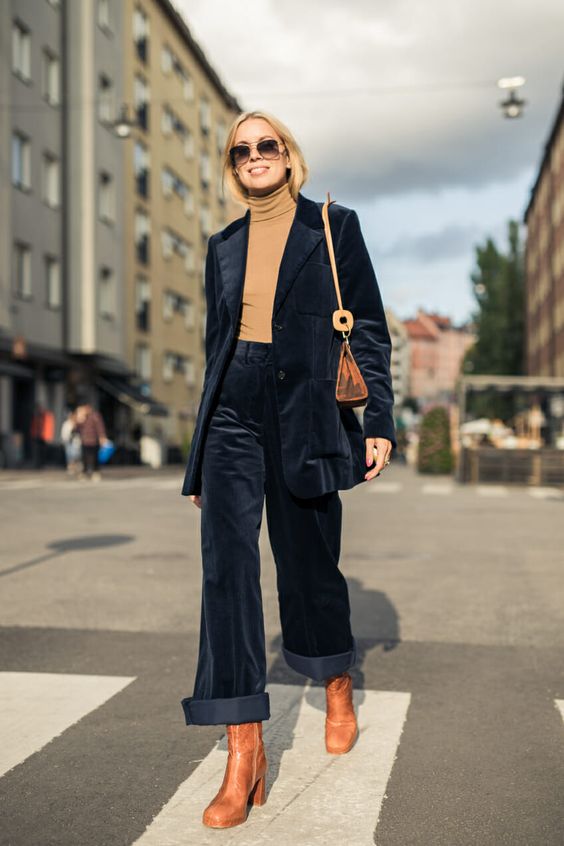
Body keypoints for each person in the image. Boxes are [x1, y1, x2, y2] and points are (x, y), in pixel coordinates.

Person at [180, 110, 396, 829]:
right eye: (241, 150)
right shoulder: (222, 246)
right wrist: (199, 456)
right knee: (226, 570)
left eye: (265, 145)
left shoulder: (333, 228)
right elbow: (215, 352)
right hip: (235, 410)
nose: (254, 156)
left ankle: (334, 675)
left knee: (308, 563)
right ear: (233, 165)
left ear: (289, 156)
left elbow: (365, 324)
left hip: (305, 409)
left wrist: (379, 421)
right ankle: (244, 750)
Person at [73, 403, 109, 482]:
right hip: (84, 441)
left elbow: (100, 427)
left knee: (94, 457)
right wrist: (79, 420)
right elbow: (76, 430)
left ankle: (95, 472)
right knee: (84, 458)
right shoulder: (81, 418)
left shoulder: (95, 416)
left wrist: (102, 437)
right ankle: (84, 473)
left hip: (94, 440)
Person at [60, 408, 82, 477]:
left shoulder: (77, 424)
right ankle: (71, 469)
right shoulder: (67, 423)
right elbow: (64, 433)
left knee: (76, 455)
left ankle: (76, 468)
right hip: (68, 442)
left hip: (76, 442)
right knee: (70, 456)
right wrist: (64, 440)